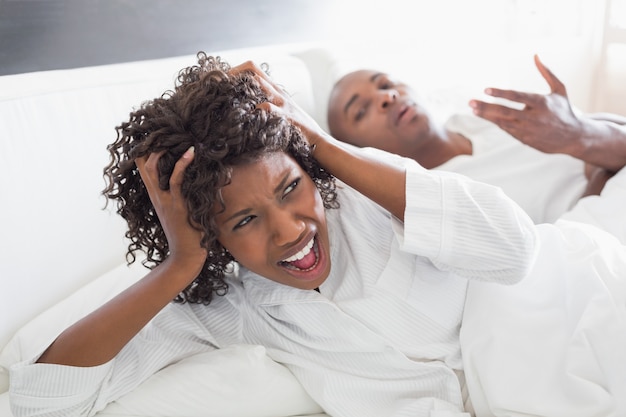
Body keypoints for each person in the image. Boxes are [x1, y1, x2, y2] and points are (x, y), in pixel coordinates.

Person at [8, 53, 626, 417]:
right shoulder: (228, 305)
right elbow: (43, 400)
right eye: (243, 222)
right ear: (211, 236)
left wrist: (321, 145)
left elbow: (513, 249)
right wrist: (178, 264)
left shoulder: (367, 196)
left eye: (290, 189)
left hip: (576, 309)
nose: (290, 232)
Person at [326, 54, 626, 224]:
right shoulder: (432, 197)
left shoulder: (483, 118)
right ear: (358, 151)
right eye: (362, 111)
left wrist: (579, 133)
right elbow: (549, 252)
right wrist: (596, 157)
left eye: (386, 83)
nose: (386, 97)